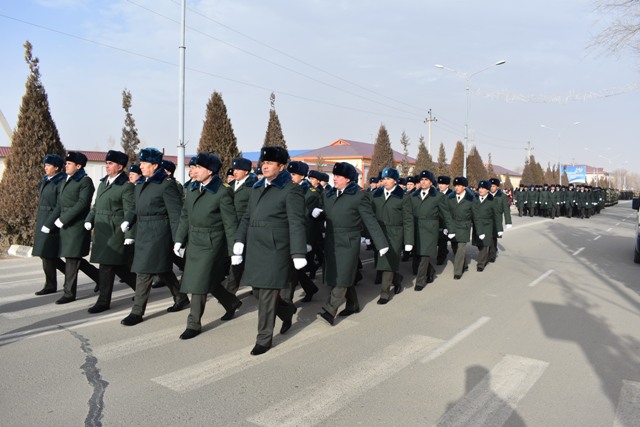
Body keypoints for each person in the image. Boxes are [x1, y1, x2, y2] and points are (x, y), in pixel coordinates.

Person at [234, 146, 307, 356]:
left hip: (276, 249)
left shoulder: (291, 190)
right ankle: (287, 310)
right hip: (256, 248)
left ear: (281, 166)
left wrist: (298, 252)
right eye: (263, 163)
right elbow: (247, 217)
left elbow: (296, 222)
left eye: (269, 163)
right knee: (257, 291)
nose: (264, 166)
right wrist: (239, 240)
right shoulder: (257, 187)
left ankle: (263, 338)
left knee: (266, 293)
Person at [174, 153, 242, 340]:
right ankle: (231, 302)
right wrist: (179, 239)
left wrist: (233, 250)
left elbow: (230, 223)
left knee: (198, 283)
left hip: (212, 242)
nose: (193, 170)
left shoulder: (222, 191)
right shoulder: (193, 189)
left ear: (210, 171)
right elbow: (185, 216)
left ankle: (193, 324)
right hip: (194, 241)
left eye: (198, 167)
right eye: (192, 167)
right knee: (207, 281)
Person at [120, 148, 189, 326]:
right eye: (141, 163)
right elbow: (135, 207)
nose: (140, 166)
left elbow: (176, 214)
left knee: (143, 271)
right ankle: (181, 298)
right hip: (143, 231)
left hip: (158, 233)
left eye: (144, 164)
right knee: (162, 268)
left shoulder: (166, 184)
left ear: (155, 165)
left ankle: (137, 311)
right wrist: (129, 220)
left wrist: (178, 239)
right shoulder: (142, 183)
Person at [315, 162, 388, 325]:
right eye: (335, 176)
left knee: (342, 276)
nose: (335, 179)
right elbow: (330, 213)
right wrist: (319, 215)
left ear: (347, 179)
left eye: (338, 176)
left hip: (349, 240)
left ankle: (330, 309)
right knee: (342, 274)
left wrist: (381, 243)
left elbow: (370, 220)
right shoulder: (329, 194)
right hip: (332, 239)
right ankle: (353, 304)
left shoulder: (359, 195)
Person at [84, 150, 137, 313]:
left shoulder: (126, 186)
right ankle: (142, 288)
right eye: (106, 163)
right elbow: (97, 205)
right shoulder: (103, 183)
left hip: (116, 230)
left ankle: (103, 301)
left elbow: (130, 210)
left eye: (111, 163)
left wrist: (129, 235)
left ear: (120, 166)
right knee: (119, 267)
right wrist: (89, 219)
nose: (107, 166)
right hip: (102, 229)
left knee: (106, 266)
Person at [48, 152, 96, 304]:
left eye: (69, 163)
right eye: (66, 163)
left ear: (79, 166)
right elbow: (60, 204)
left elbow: (82, 204)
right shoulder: (65, 180)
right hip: (65, 226)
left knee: (72, 259)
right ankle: (100, 277)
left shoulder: (85, 181)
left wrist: (63, 220)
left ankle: (69, 293)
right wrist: (50, 223)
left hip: (76, 226)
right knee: (74, 259)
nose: (66, 165)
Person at [370, 167, 414, 304]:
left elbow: (408, 220)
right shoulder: (376, 195)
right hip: (380, 232)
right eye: (383, 179)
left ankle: (384, 293)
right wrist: (367, 235)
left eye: (388, 179)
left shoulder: (403, 197)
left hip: (395, 233)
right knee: (383, 261)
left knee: (389, 262)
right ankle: (397, 279)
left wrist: (408, 241)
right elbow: (370, 216)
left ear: (395, 180)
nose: (385, 181)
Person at [410, 170, 451, 290]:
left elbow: (446, 214)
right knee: (417, 254)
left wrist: (450, 228)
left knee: (424, 255)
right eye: (421, 180)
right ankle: (431, 270)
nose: (423, 182)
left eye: (426, 180)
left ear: (431, 182)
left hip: (430, 229)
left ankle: (420, 281)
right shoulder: (413, 196)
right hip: (416, 228)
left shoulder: (438, 196)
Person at [286, 160, 320, 302]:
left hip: (302, 234)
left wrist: (308, 241)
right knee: (294, 268)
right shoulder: (287, 188)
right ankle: (310, 288)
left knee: (292, 269)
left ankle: (286, 301)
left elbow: (306, 219)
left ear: (302, 176)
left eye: (293, 174)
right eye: (289, 173)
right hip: (288, 233)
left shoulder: (309, 193)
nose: (290, 176)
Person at [224, 157, 258, 295]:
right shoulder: (231, 186)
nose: (234, 171)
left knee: (240, 262)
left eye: (238, 169)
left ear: (246, 171)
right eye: (234, 168)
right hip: (232, 228)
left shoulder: (252, 188)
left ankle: (230, 294)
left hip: (246, 230)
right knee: (236, 261)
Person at [33, 154, 66, 296]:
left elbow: (60, 205)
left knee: (47, 253)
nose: (45, 168)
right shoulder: (46, 180)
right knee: (46, 254)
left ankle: (51, 284)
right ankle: (67, 275)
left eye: (48, 165)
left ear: (56, 168)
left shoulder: (60, 182)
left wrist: (50, 223)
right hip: (42, 218)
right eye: (45, 165)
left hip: (51, 219)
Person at [445, 177, 474, 280]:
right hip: (452, 227)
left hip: (464, 227)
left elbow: (475, 215)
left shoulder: (470, 199)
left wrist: (478, 229)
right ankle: (464, 264)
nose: (456, 188)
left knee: (461, 248)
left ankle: (457, 271)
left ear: (464, 187)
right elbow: (446, 213)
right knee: (454, 247)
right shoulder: (450, 198)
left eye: (459, 186)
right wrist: (446, 227)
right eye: (455, 186)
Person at [472, 180, 502, 272]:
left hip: (487, 225)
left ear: (488, 190)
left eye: (483, 188)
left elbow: (497, 215)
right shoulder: (474, 199)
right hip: (477, 225)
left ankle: (481, 264)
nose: (481, 190)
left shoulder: (492, 201)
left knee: (484, 244)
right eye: (480, 188)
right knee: (478, 244)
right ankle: (484, 257)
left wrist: (499, 228)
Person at [488, 178, 512, 262]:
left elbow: (506, 210)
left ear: (497, 187)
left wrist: (508, 222)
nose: (491, 187)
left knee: (493, 237)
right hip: (486, 220)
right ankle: (489, 251)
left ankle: (492, 255)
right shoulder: (486, 195)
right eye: (490, 186)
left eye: (493, 186)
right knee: (487, 237)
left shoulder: (503, 196)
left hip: (496, 220)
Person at [436, 175, 453, 265]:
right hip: (435, 220)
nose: (441, 185)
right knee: (436, 240)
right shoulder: (435, 192)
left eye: (443, 184)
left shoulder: (451, 194)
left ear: (447, 185)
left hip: (445, 221)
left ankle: (441, 258)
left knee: (443, 240)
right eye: (440, 183)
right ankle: (444, 252)